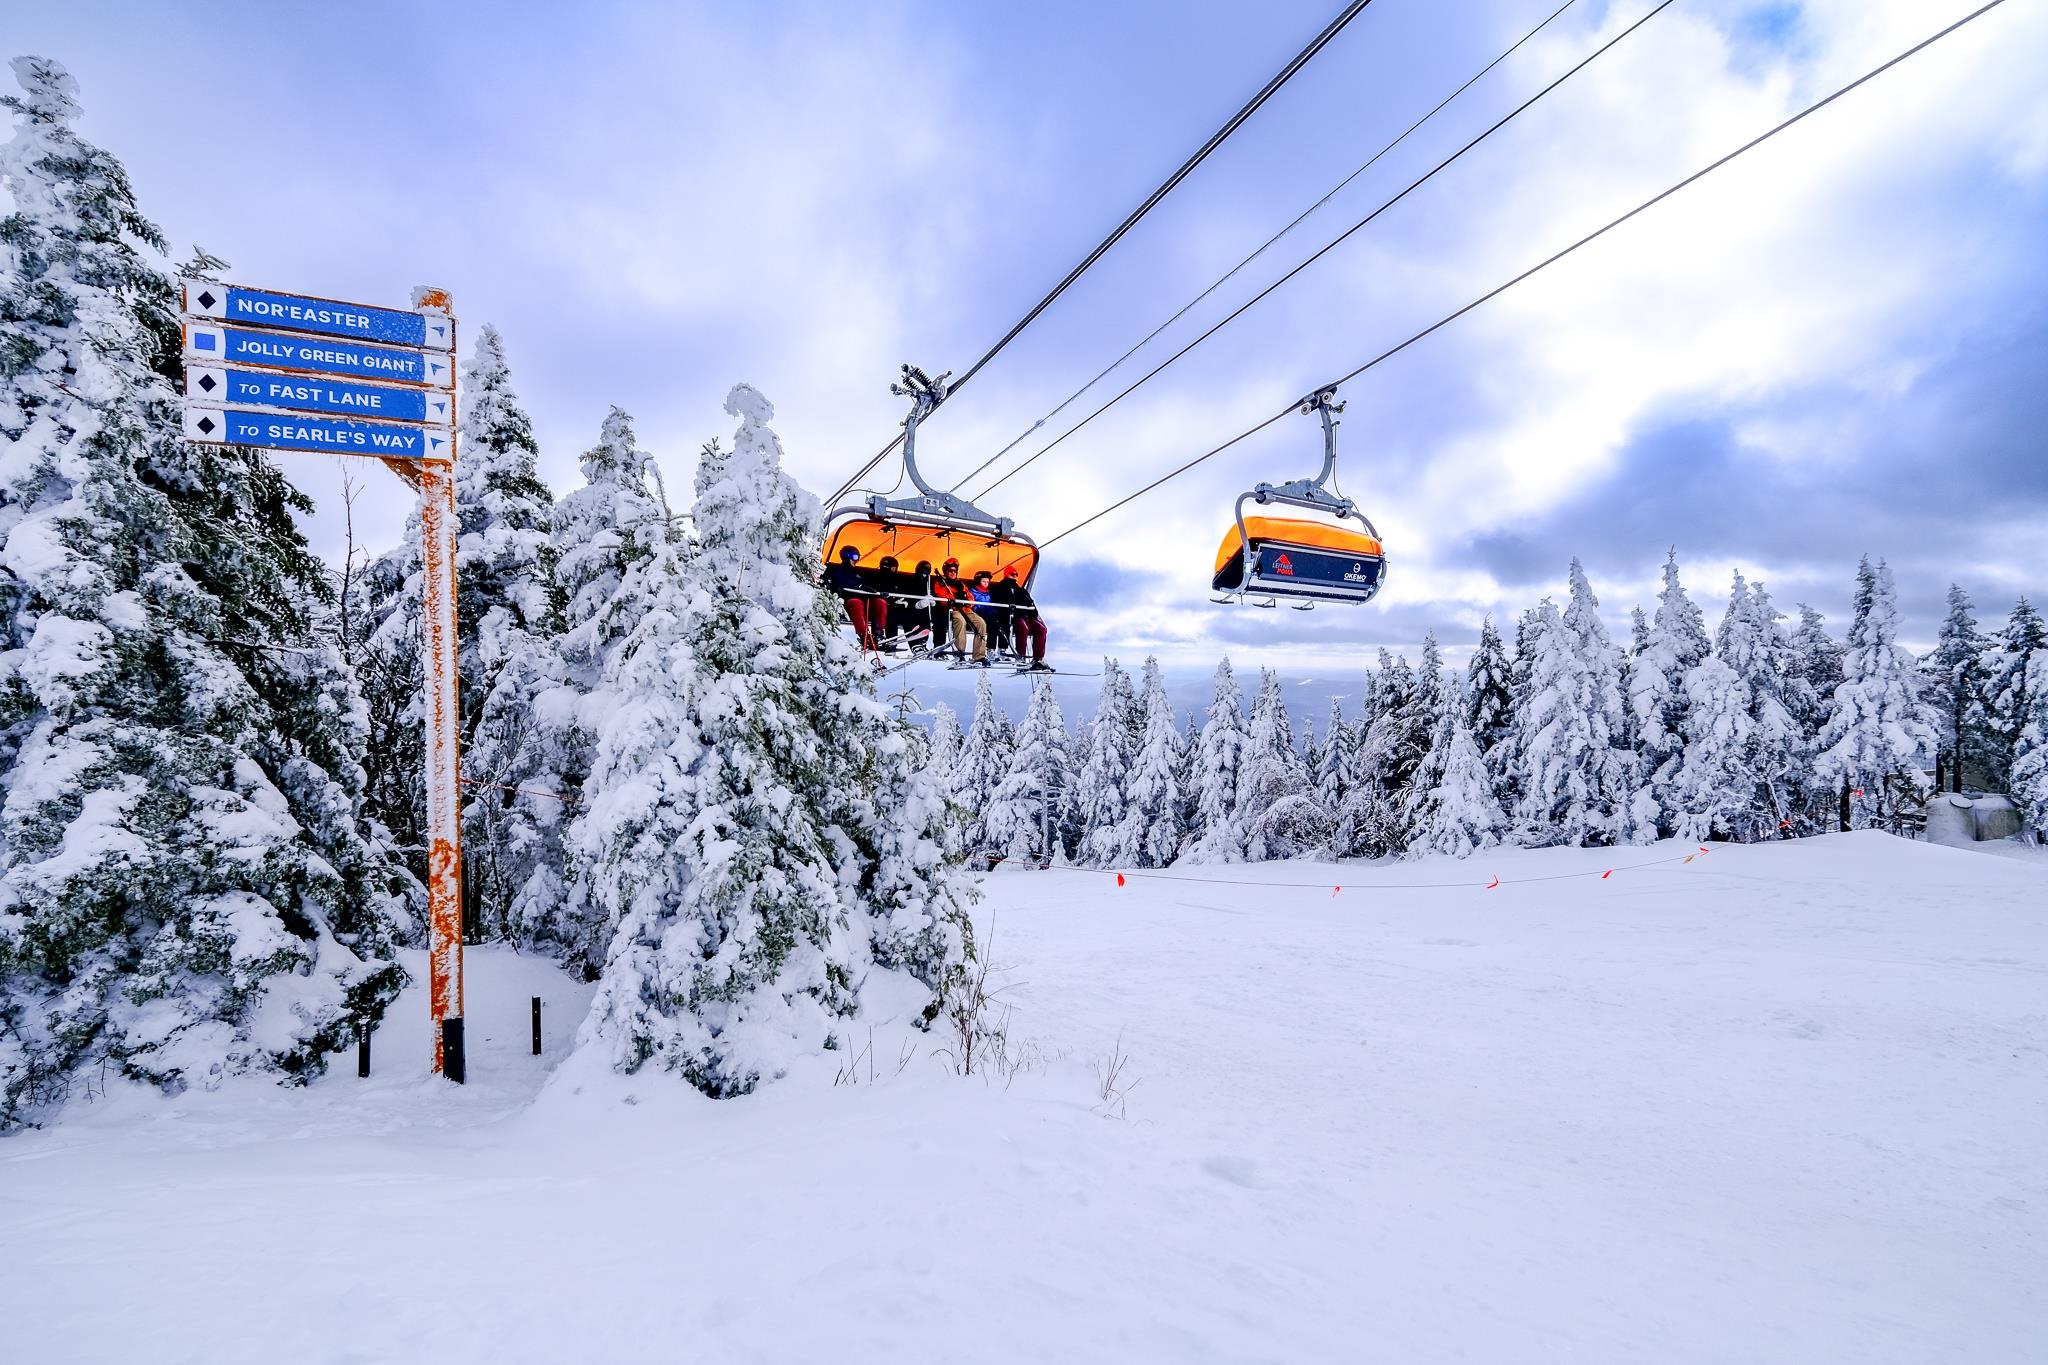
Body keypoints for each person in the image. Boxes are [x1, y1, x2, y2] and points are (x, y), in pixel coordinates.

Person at [825, 545, 885, 652]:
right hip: (848, 600)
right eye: (854, 557)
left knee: (880, 602)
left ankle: (878, 634)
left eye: (858, 557)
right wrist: (860, 587)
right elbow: (840, 581)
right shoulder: (838, 570)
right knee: (856, 603)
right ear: (846, 556)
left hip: (864, 600)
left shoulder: (859, 573)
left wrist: (877, 592)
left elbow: (868, 585)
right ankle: (864, 635)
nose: (856, 560)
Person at [992, 564, 1049, 669]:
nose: (1014, 576)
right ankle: (1021, 657)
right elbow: (999, 603)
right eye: (1012, 574)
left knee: (1042, 629)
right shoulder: (1000, 588)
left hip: (1026, 616)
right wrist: (1011, 611)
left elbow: (1030, 603)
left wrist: (1034, 614)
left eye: (1016, 574)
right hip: (1013, 617)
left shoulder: (1021, 590)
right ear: (1006, 575)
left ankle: (1038, 658)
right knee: (1023, 628)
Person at [936, 556, 987, 665]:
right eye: (950, 571)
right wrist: (954, 599)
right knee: (960, 621)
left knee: (981, 623)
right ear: (946, 571)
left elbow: (970, 597)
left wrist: (966, 601)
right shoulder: (941, 583)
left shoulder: (961, 584)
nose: (953, 573)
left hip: (965, 609)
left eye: (955, 571)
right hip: (953, 609)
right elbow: (941, 596)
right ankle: (959, 653)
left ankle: (979, 656)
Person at [873, 555, 928, 652]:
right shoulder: (876, 577)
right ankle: (891, 642)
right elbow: (875, 591)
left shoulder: (897, 580)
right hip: (886, 608)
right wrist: (891, 600)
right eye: (893, 568)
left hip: (898, 607)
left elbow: (903, 593)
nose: (894, 570)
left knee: (907, 615)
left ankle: (915, 644)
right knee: (892, 616)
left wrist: (903, 601)